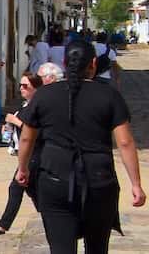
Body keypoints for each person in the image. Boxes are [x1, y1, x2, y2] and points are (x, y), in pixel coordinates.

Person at [16, 39, 146, 252]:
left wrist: (23, 168)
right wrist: (136, 184)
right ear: (93, 63)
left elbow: (27, 139)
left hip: (55, 178)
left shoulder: (44, 95)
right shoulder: (109, 95)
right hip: (99, 180)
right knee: (97, 248)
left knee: (61, 248)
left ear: (65, 62)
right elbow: (125, 142)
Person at [0, 69, 53, 236]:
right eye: (20, 86)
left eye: (25, 86)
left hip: (35, 155)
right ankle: (51, 219)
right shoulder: (25, 106)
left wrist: (15, 121)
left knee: (16, 188)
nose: (21, 89)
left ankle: (3, 226)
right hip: (28, 154)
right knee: (34, 191)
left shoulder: (39, 107)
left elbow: (37, 132)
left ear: (36, 88)